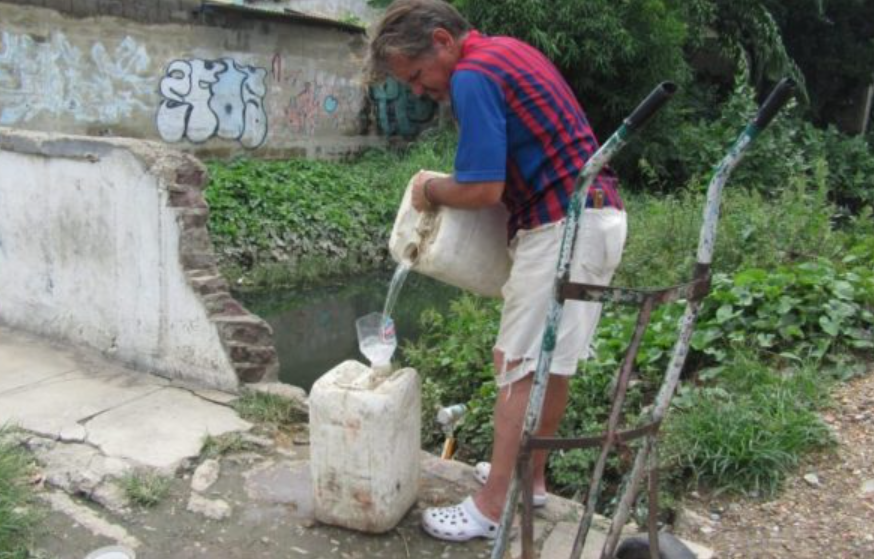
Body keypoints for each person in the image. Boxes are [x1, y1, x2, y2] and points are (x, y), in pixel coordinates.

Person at [369, 0, 628, 542]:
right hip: (598, 218)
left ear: (442, 39)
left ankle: (491, 508)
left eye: (416, 76)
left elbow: (482, 187)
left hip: (562, 226)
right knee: (550, 363)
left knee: (516, 365)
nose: (418, 90)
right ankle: (529, 482)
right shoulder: (509, 51)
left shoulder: (471, 74)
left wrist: (429, 189)